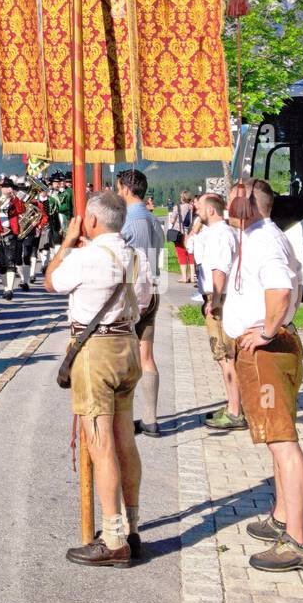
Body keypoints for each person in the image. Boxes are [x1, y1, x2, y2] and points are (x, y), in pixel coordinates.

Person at [45, 190, 145, 566]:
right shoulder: (137, 256)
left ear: (91, 221)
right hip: (127, 344)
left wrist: (67, 243)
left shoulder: (85, 257)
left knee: (100, 444)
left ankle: (113, 535)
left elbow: (50, 282)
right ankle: (132, 528)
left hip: (95, 351)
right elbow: (147, 299)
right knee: (125, 442)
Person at [222, 180, 303, 570]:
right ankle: (281, 516)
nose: (228, 204)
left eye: (232, 198)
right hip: (268, 351)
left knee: (282, 441)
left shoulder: (264, 240)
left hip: (268, 355)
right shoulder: (259, 236)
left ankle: (298, 539)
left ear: (248, 204)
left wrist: (268, 331)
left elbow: (280, 290)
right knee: (278, 438)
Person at [116, 168, 167, 439]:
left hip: (131, 294)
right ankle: (150, 418)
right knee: (147, 356)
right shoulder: (152, 218)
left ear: (125, 189)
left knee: (123, 356)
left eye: (118, 188)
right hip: (152, 288)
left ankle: (123, 418)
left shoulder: (127, 221)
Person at [189, 192, 245, 431]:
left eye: (199, 207)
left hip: (219, 299)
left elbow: (219, 270)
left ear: (211, 211)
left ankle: (235, 411)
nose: (196, 210)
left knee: (225, 356)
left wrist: (216, 300)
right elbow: (189, 244)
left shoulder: (221, 235)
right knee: (226, 357)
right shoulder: (220, 232)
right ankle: (233, 404)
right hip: (219, 297)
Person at [168, 191, 198, 289]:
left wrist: (173, 220)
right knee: (190, 254)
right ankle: (193, 277)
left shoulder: (178, 207)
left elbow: (172, 220)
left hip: (179, 233)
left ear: (182, 198)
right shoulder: (193, 207)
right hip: (190, 232)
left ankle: (184, 277)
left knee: (181, 254)